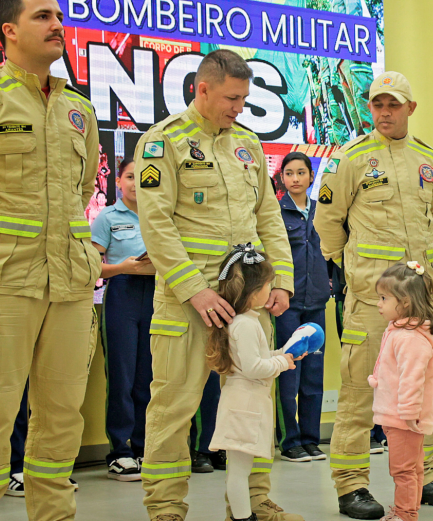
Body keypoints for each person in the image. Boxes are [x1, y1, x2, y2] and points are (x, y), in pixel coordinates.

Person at [135, 49, 298, 521]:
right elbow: (156, 223)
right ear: (202, 89)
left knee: (254, 403)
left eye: (244, 99)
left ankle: (255, 503)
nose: (239, 108)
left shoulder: (247, 142)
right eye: (231, 98)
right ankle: (166, 510)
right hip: (190, 299)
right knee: (172, 406)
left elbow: (268, 216)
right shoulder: (163, 142)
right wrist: (194, 289)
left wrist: (279, 281)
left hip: (248, 298)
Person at [0, 0, 101, 519]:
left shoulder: (79, 110)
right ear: (9, 31)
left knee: (63, 418)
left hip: (69, 283)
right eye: (43, 16)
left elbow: (85, 186)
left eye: (59, 16)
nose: (57, 25)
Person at [315, 71, 433, 519]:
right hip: (370, 303)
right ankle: (350, 486)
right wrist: (359, 275)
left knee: (425, 391)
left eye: (393, 105)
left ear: (410, 109)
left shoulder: (429, 160)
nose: (383, 112)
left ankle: (423, 475)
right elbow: (327, 225)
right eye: (377, 104)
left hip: (420, 302)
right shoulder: (350, 160)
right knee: (360, 391)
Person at [205, 245, 306, 521]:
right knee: (239, 472)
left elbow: (256, 358)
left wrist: (282, 354)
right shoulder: (247, 325)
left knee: (241, 470)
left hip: (245, 403)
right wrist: (283, 363)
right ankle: (242, 518)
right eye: (267, 284)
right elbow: (253, 368)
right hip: (244, 406)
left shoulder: (244, 321)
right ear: (252, 290)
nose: (271, 289)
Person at [91, 158, 157, 481]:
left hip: (156, 295)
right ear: (119, 181)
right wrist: (123, 268)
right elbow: (93, 265)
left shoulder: (157, 215)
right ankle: (120, 451)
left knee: (149, 376)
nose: (136, 183)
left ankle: (144, 446)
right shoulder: (107, 217)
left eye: (142, 177)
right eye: (130, 177)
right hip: (121, 294)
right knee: (121, 376)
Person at [368, 262, 433, 521]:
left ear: (406, 302)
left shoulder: (410, 338)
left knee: (404, 469)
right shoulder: (399, 329)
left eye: (384, 298)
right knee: (411, 467)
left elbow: (413, 380)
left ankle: (405, 514)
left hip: (404, 418)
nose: (379, 303)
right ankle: (406, 511)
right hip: (396, 416)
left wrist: (409, 414)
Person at [275, 152, 329, 462]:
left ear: (311, 176)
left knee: (313, 375)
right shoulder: (275, 212)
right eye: (289, 173)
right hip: (287, 304)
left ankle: (311, 439)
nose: (295, 178)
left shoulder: (323, 212)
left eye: (301, 172)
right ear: (282, 178)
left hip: (317, 302)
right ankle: (289, 440)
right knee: (288, 373)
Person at [318, 0, 374, 140]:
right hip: (341, 59)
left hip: (352, 52)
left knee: (362, 100)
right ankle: (362, 144)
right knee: (352, 107)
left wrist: (353, 45)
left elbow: (353, 13)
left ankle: (372, 142)